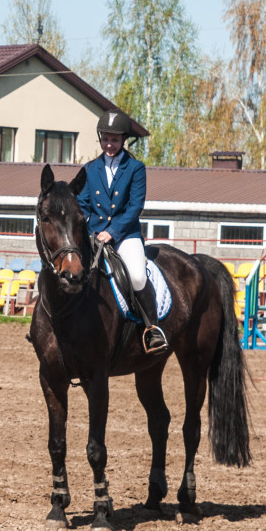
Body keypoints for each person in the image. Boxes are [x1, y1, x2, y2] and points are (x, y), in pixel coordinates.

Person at [76, 109, 167, 352]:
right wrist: (92, 231)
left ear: (123, 140)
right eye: (105, 139)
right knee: (71, 270)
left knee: (137, 276)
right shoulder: (89, 168)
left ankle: (152, 328)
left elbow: (135, 206)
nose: (109, 144)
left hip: (125, 234)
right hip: (94, 233)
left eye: (114, 140)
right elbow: (82, 203)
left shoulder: (136, 168)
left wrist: (113, 232)